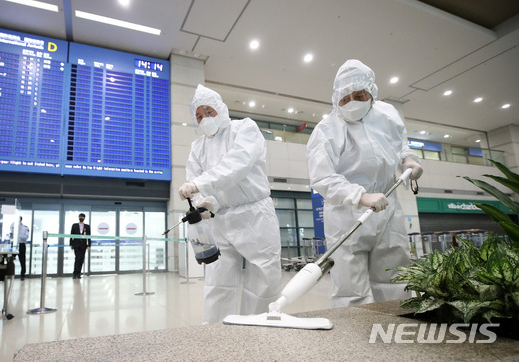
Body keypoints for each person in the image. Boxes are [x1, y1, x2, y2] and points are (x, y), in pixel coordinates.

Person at [305, 59, 423, 308]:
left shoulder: (387, 114)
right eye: (345, 98)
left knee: (395, 278)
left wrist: (408, 159)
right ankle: (353, 343)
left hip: (388, 208)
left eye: (359, 95)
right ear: (335, 99)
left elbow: (400, 143)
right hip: (347, 215)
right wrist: (360, 196)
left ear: (372, 93)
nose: (352, 103)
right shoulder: (326, 130)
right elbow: (322, 177)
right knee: (351, 288)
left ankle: (395, 331)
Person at [178, 84, 282, 324]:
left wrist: (198, 184)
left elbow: (236, 165)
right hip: (221, 220)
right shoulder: (197, 147)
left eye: (209, 111)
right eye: (199, 116)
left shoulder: (244, 128)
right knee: (217, 283)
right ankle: (216, 338)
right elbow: (197, 183)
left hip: (255, 215)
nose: (205, 118)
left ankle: (257, 334)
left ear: (221, 110)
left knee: (263, 281)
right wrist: (203, 203)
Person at [70, 213, 90, 279]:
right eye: (80, 216)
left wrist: (89, 245)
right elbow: (71, 235)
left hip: (83, 245)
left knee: (81, 259)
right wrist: (71, 244)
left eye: (83, 217)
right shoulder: (74, 225)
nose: (81, 218)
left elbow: (89, 236)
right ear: (79, 217)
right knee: (77, 259)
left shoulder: (87, 226)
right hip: (76, 245)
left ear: (84, 218)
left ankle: (79, 274)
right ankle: (75, 273)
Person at [10, 216, 30, 280]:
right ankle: (10, 274)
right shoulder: (12, 226)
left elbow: (26, 237)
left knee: (22, 260)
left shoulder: (25, 228)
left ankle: (22, 275)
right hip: (14, 244)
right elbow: (11, 235)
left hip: (21, 245)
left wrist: (17, 235)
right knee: (10, 259)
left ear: (21, 221)